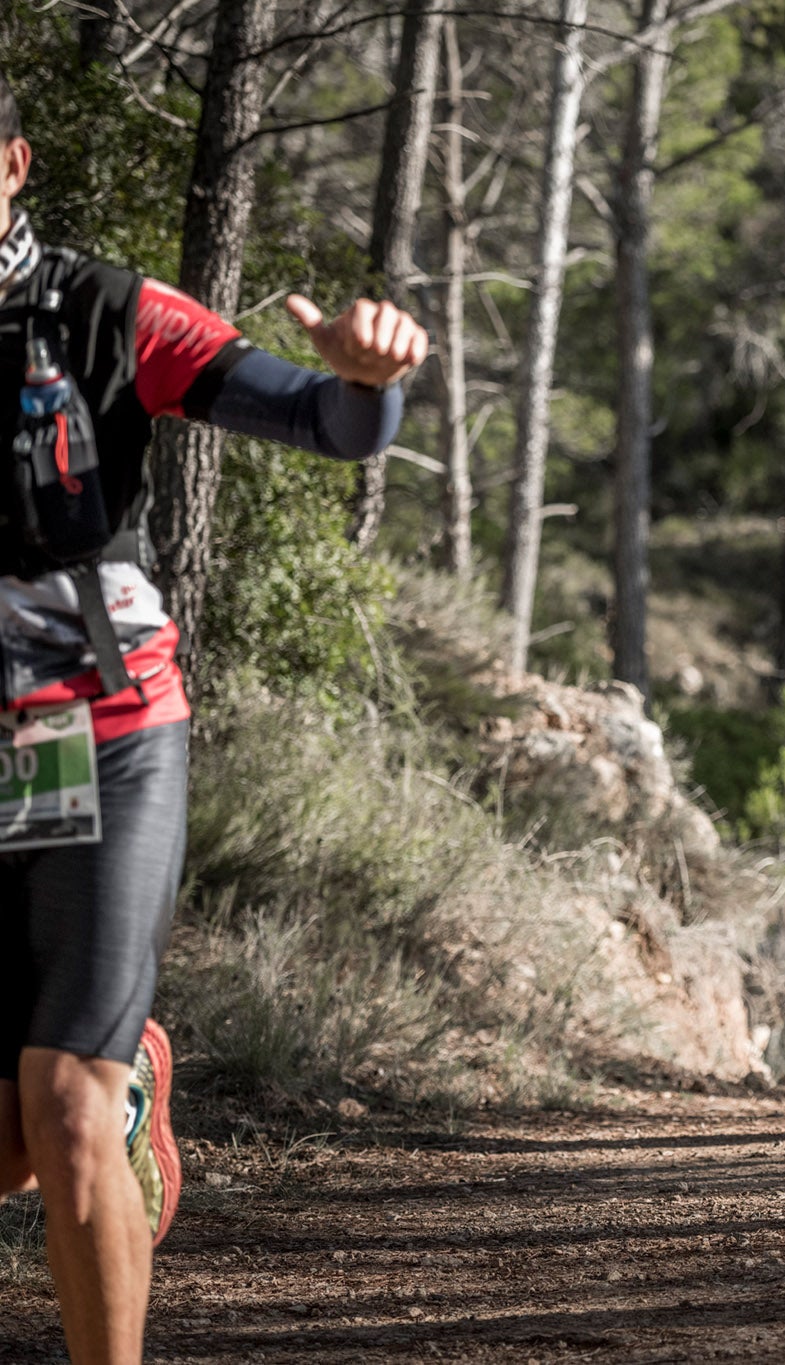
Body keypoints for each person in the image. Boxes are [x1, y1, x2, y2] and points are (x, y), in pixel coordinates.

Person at [0, 72, 426, 1365]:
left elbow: (316, 413)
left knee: (66, 1106)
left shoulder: (102, 309)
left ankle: (105, 1106)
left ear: (14, 162)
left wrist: (368, 384)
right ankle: (129, 1100)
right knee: (24, 1140)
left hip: (100, 719)